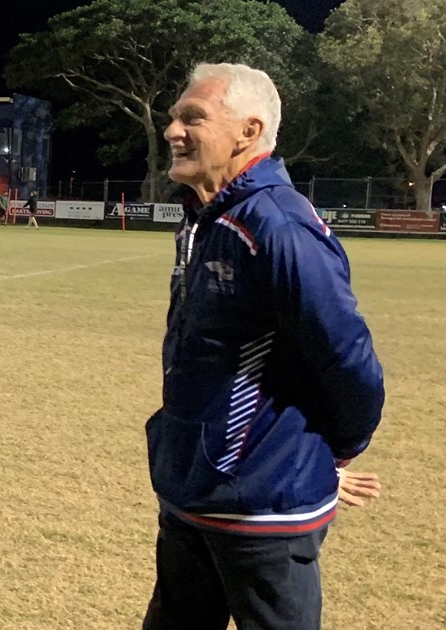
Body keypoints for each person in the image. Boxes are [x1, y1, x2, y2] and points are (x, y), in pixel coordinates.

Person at [143, 63, 385, 630]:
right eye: (174, 116)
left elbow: (348, 360)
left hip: (260, 511)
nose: (172, 130)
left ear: (248, 132)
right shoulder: (206, 218)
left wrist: (335, 454)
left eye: (192, 117)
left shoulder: (277, 224)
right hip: (191, 489)